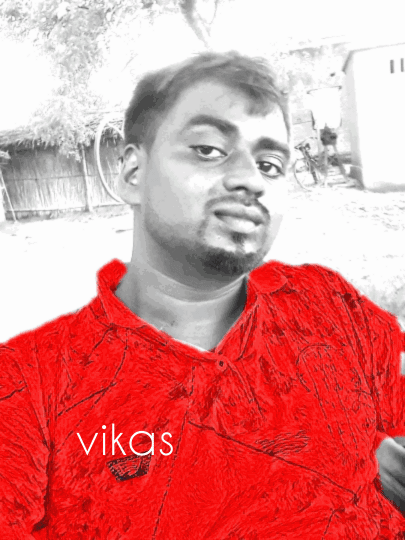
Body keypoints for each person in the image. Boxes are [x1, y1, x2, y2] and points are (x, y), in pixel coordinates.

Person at [1, 51, 405, 540]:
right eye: (209, 150)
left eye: (271, 164)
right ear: (133, 173)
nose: (251, 179)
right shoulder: (30, 387)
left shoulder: (328, 304)